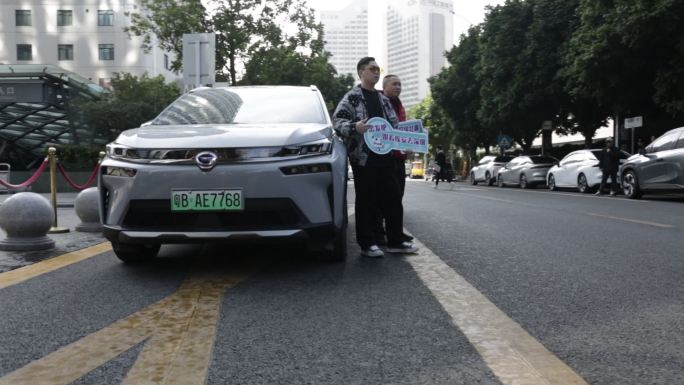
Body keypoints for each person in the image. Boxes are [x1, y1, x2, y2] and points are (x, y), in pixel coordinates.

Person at [333, 57, 418, 258]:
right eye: (372, 69)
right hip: (363, 158)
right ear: (361, 72)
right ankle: (367, 244)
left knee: (393, 199)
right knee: (366, 201)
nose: (376, 72)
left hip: (385, 157)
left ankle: (395, 241)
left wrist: (408, 143)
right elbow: (337, 121)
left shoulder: (383, 100)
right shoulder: (352, 97)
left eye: (378, 69)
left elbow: (395, 127)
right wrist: (355, 127)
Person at [378, 74, 413, 243]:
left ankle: (395, 231)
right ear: (385, 87)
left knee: (398, 196)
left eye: (400, 84)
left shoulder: (399, 104)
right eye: (394, 84)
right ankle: (383, 232)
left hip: (399, 158)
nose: (398, 87)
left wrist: (411, 145)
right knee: (388, 197)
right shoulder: (381, 102)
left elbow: (402, 130)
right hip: (386, 157)